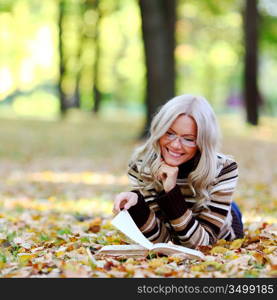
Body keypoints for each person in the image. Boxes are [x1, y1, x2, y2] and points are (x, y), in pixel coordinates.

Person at [113, 94, 244, 249]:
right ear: (159, 130)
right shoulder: (141, 166)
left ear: (203, 141)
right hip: (181, 228)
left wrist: (171, 191)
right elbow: (165, 243)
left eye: (188, 139)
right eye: (169, 133)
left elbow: (203, 245)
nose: (175, 145)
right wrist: (137, 207)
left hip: (221, 230)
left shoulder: (224, 169)